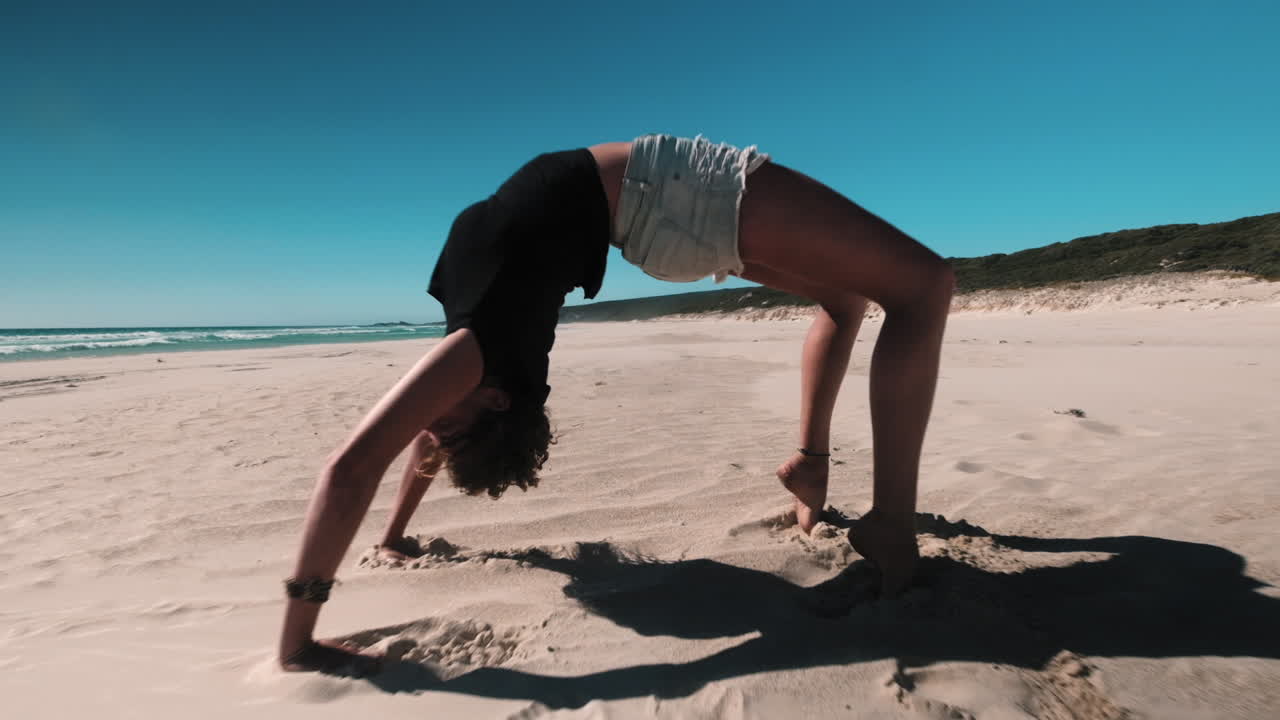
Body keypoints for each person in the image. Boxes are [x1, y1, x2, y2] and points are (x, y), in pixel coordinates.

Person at [278, 134, 954, 674]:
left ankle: (808, 464)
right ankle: (890, 522)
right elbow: (346, 471)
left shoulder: (484, 364)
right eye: (453, 421)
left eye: (441, 423)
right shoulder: (480, 351)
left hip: (653, 230)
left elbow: (426, 434)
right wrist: (300, 639)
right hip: (668, 195)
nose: (432, 423)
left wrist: (395, 536)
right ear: (494, 399)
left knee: (845, 299)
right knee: (925, 285)